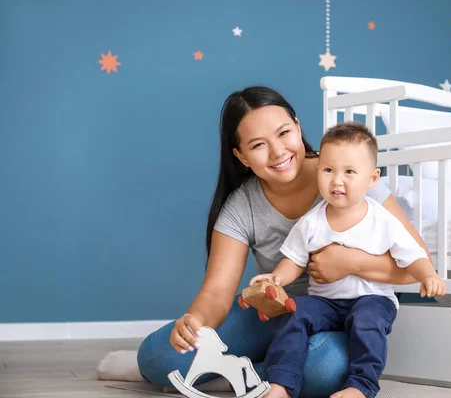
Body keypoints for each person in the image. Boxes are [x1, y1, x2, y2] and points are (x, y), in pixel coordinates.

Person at [136, 86, 435, 397]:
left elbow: (417, 265)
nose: (278, 152)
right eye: (258, 145)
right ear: (241, 156)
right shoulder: (242, 206)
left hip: (347, 311)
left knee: (322, 368)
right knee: (158, 358)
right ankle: (260, 368)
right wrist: (194, 320)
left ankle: (250, 373)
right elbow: (216, 293)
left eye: (283, 133)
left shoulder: (350, 175)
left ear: (297, 125)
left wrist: (352, 263)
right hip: (279, 311)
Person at [248, 122, 446, 398]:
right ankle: (280, 383)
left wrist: (428, 276)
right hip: (326, 302)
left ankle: (361, 386)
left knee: (367, 318)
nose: (337, 181)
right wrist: (276, 279)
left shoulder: (382, 219)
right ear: (318, 171)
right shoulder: (312, 222)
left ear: (372, 179)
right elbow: (293, 260)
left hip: (371, 298)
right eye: (328, 170)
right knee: (294, 312)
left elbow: (413, 254)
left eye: (349, 172)